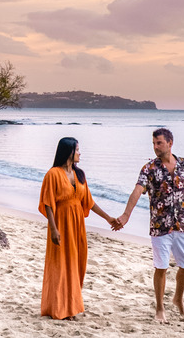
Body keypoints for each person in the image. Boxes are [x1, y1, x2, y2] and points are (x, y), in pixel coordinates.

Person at [114, 128, 184, 323]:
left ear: (170, 143)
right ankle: (160, 308)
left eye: (159, 143)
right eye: (153, 143)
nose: (155, 147)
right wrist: (126, 215)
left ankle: (178, 299)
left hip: (182, 225)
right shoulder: (149, 168)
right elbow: (137, 190)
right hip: (160, 227)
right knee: (161, 267)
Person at [39, 137, 119, 320]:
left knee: (77, 263)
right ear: (69, 152)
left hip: (77, 226)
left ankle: (71, 305)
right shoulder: (53, 174)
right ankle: (59, 308)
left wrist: (108, 218)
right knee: (60, 265)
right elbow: (48, 203)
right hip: (61, 224)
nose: (80, 153)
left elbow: (88, 202)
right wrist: (53, 228)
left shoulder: (80, 174)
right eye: (77, 150)